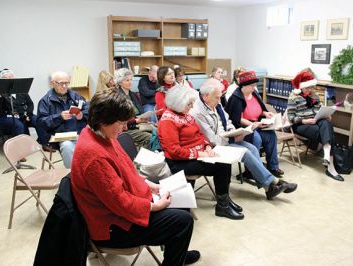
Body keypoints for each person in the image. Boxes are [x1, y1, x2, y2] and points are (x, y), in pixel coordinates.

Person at [71, 89, 200, 266]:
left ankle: (177, 253)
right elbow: (120, 202)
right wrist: (153, 206)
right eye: (121, 123)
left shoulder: (100, 133)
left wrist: (148, 184)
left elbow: (127, 170)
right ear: (103, 121)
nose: (125, 128)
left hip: (117, 211)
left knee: (180, 206)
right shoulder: (95, 155)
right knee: (182, 222)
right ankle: (175, 257)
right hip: (111, 227)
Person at [190, 78, 297, 199]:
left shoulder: (214, 100)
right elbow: (211, 139)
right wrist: (232, 139)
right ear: (206, 96)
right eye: (217, 97)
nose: (220, 101)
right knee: (245, 152)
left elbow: (227, 120)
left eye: (220, 97)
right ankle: (274, 182)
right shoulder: (198, 112)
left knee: (252, 148)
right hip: (214, 145)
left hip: (226, 137)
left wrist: (232, 131)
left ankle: (268, 187)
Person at [158, 84, 244, 220]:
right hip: (178, 162)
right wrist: (200, 154)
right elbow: (174, 152)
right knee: (221, 165)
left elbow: (200, 136)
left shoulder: (185, 115)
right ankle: (222, 205)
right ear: (178, 103)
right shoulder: (167, 120)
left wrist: (207, 146)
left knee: (224, 162)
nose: (192, 107)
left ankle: (224, 200)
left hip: (194, 157)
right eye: (189, 104)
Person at [226, 71, 284, 177]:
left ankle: (273, 167)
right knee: (256, 138)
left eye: (255, 85)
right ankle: (251, 170)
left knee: (271, 136)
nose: (254, 88)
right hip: (245, 127)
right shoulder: (236, 98)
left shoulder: (254, 94)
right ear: (244, 86)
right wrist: (254, 125)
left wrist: (266, 113)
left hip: (258, 124)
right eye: (252, 86)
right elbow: (237, 118)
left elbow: (260, 109)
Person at [288, 69, 344, 181]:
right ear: (301, 87)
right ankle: (330, 166)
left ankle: (327, 156)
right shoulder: (293, 97)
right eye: (307, 88)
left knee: (326, 122)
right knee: (329, 134)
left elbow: (319, 109)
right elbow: (290, 116)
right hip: (301, 125)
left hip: (316, 121)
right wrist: (304, 121)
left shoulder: (315, 95)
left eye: (311, 87)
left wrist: (326, 114)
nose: (309, 90)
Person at [0, 69, 51, 151]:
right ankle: (20, 151)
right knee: (18, 124)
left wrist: (28, 114)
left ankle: (45, 143)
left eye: (11, 77)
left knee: (38, 120)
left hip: (22, 114)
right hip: (5, 117)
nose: (10, 79)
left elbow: (30, 103)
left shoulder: (21, 91)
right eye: (7, 78)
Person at [37, 71, 89, 169]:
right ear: (52, 83)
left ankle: (88, 171)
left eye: (67, 83)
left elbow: (89, 108)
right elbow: (41, 122)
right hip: (60, 136)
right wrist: (59, 117)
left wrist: (83, 115)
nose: (65, 86)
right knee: (67, 146)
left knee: (94, 144)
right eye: (61, 83)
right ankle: (73, 173)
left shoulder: (75, 95)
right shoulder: (45, 100)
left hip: (79, 133)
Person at [114, 68, 152, 150]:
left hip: (138, 124)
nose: (130, 82)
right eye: (127, 80)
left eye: (131, 79)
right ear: (120, 82)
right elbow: (118, 120)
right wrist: (136, 120)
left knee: (159, 131)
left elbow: (140, 111)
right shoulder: (117, 97)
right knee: (151, 137)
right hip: (127, 128)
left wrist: (144, 118)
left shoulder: (134, 95)